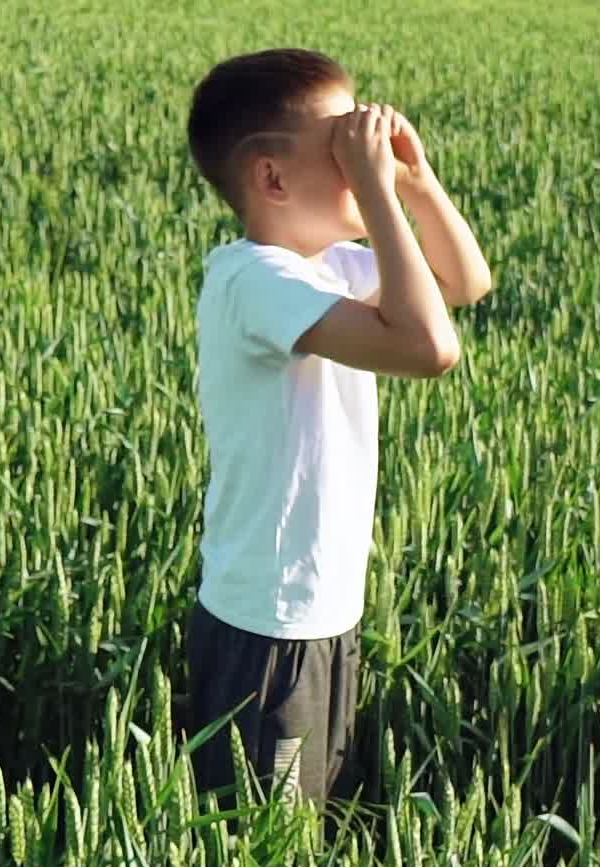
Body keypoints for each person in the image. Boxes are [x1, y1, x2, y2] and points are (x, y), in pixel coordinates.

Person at [183, 47, 491, 809]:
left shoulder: (332, 266)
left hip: (323, 609)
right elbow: (430, 349)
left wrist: (415, 182)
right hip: (268, 626)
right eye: (343, 147)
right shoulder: (255, 280)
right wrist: (382, 196)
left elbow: (464, 284)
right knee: (264, 850)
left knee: (308, 817)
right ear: (273, 178)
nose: (366, 157)